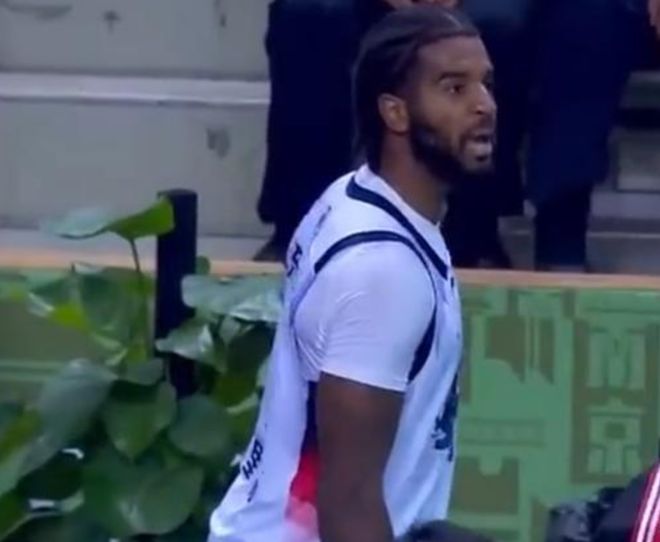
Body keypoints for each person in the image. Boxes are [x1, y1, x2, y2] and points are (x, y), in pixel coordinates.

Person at [209, 6, 495, 542]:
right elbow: (348, 499)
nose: (484, 105)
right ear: (395, 112)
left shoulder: (351, 197)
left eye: (486, 84)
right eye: (455, 89)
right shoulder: (383, 273)